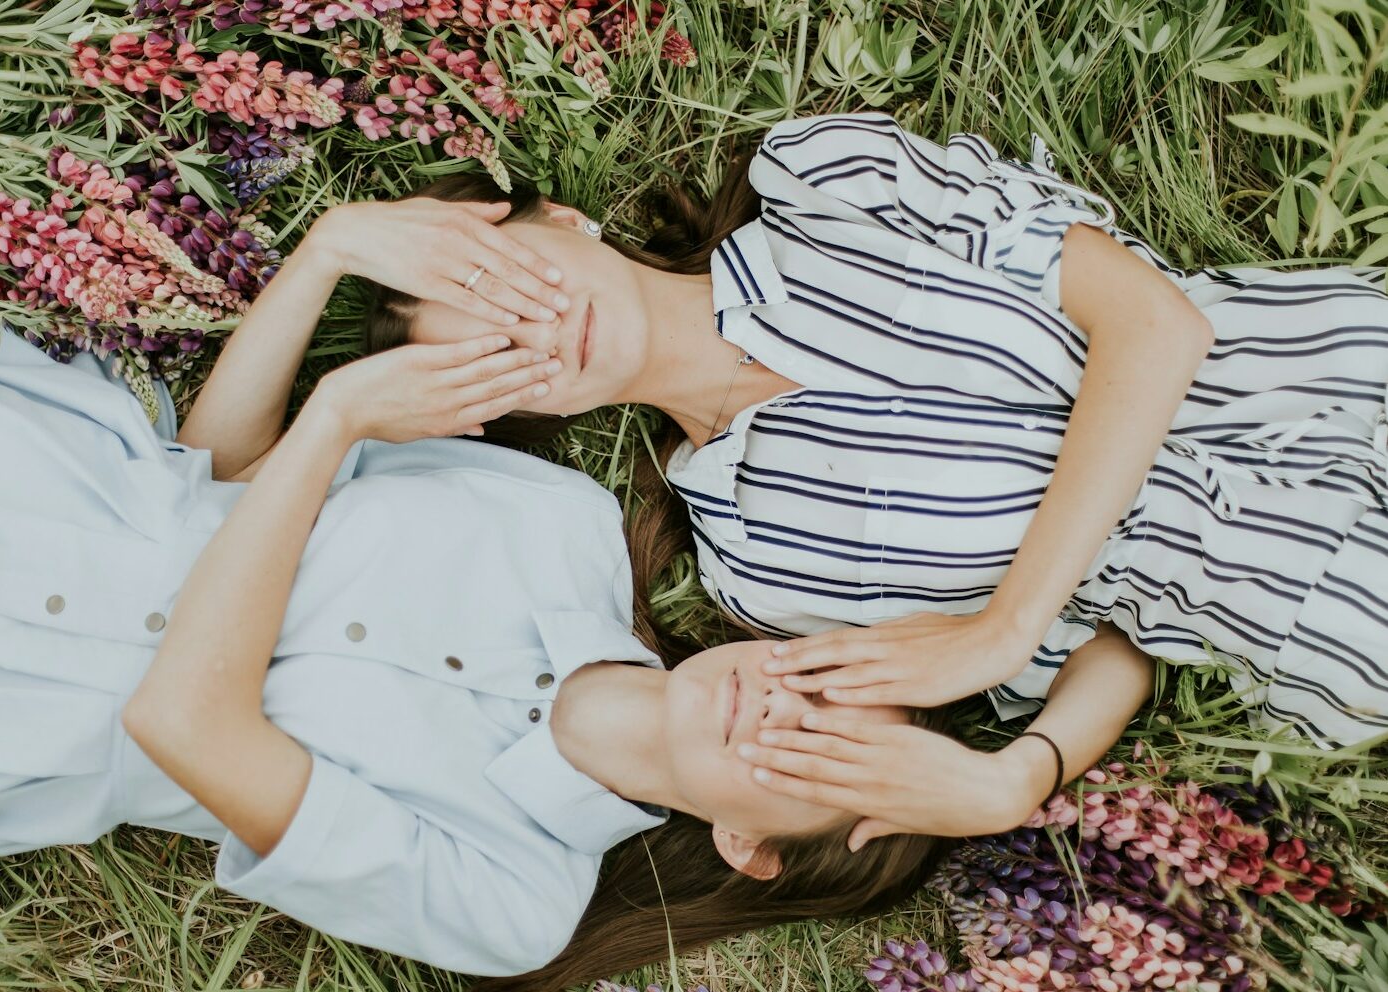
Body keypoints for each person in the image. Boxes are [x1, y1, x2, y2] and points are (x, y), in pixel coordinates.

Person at [0, 197, 980, 992]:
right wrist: (328, 249)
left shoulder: (511, 900)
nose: (777, 703)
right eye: (823, 685)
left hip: (6, 717)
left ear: (747, 845)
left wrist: (332, 423)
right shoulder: (560, 520)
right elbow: (218, 491)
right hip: (28, 472)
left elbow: (184, 724)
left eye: (804, 750)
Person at [363, 109, 1388, 846]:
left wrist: (1000, 629)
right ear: (510, 414)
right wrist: (1010, 779)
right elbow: (1114, 647)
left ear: (559, 221)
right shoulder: (758, 572)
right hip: (1318, 606)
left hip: (1332, 366)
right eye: (492, 354)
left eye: (505, 285)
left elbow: (1156, 322)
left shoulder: (822, 183)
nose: (535, 329)